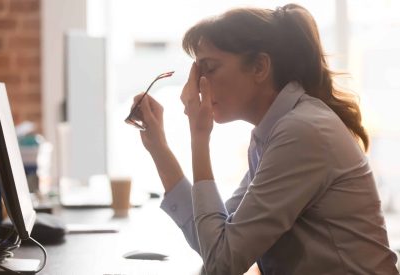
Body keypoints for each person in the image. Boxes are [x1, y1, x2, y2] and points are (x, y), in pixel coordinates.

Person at [129, 3, 399, 275]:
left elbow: (223, 263)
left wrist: (200, 137)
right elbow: (214, 240)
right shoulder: (275, 131)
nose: (197, 84)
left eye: (208, 68)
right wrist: (159, 148)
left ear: (260, 67)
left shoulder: (302, 132)